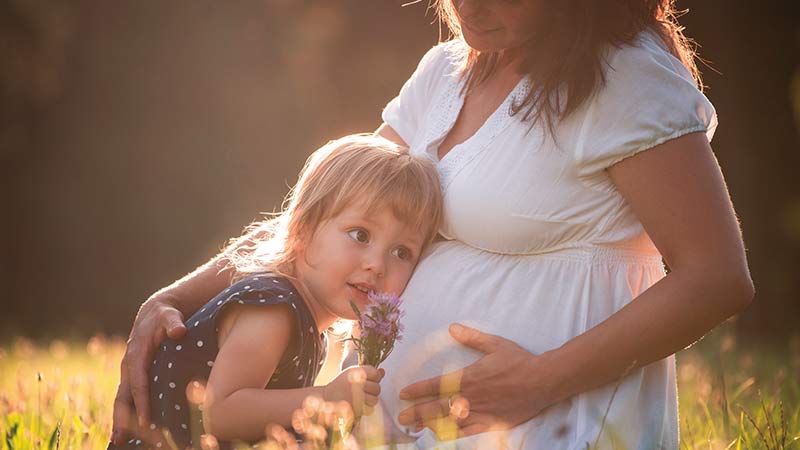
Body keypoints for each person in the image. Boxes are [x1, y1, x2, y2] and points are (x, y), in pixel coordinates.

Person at [111, 1, 755, 448]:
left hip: (553, 422)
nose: (470, 6)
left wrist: (537, 381)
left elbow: (716, 277)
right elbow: (325, 214)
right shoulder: (445, 72)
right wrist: (173, 298)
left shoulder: (626, 78)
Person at [108, 134, 444, 449]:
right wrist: (326, 397)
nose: (377, 264)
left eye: (402, 252)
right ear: (303, 229)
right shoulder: (274, 307)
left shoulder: (307, 324)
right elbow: (220, 413)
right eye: (360, 235)